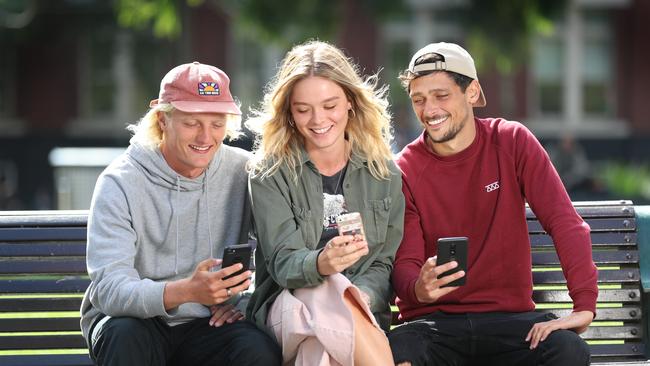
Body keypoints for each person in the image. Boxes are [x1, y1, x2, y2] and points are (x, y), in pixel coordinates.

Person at [388, 42, 598, 366]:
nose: (429, 110)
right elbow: (405, 263)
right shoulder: (404, 169)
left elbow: (564, 221)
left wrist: (583, 307)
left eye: (441, 96)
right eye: (419, 100)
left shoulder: (511, 141)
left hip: (511, 324)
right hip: (434, 327)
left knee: (568, 351)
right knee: (400, 352)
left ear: (472, 92)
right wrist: (419, 289)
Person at [80, 62, 281, 366]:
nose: (205, 137)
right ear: (163, 120)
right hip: (135, 321)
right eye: (192, 123)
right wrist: (186, 291)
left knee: (256, 349)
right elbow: (109, 289)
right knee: (124, 336)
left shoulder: (244, 171)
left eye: (216, 123)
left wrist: (244, 300)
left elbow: (280, 253)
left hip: (210, 321)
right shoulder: (119, 182)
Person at [245, 40, 405, 366]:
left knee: (319, 349)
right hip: (287, 305)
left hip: (359, 310)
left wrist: (358, 295)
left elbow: (381, 264)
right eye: (303, 109)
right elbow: (282, 264)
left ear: (350, 101)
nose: (317, 120)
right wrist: (322, 265)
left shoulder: (382, 172)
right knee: (325, 293)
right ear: (289, 112)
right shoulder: (270, 173)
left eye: (330, 106)